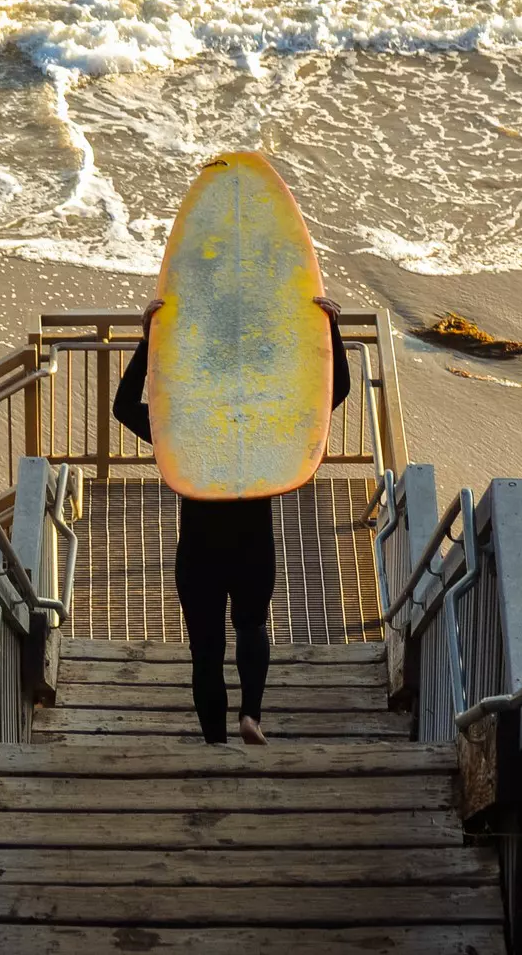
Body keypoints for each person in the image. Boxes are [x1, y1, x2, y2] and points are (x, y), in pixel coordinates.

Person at [112, 295, 351, 745]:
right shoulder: (262, 424)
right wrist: (330, 330)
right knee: (252, 625)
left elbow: (123, 407)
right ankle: (252, 717)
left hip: (199, 549)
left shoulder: (184, 424)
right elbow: (333, 392)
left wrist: (149, 341)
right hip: (252, 544)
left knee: (206, 650)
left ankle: (215, 743)